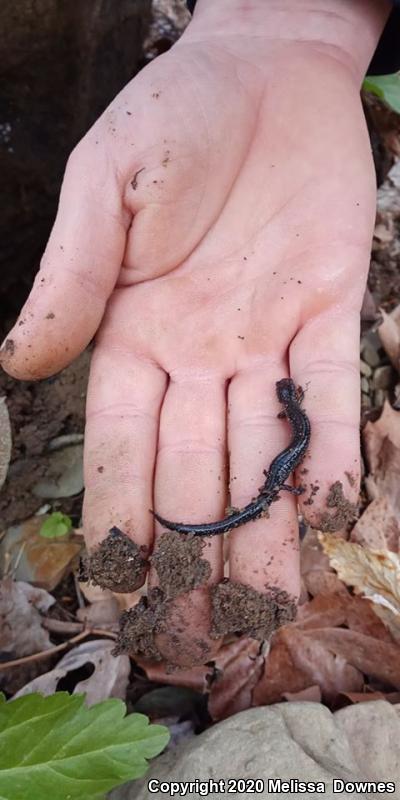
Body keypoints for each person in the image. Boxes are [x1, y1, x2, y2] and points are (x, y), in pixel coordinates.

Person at [0, 0, 398, 666]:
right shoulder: (290, 417)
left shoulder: (289, 415)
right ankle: (197, 526)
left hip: (276, 474)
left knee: (270, 485)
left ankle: (198, 526)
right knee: (280, 473)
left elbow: (291, 435)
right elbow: (293, 433)